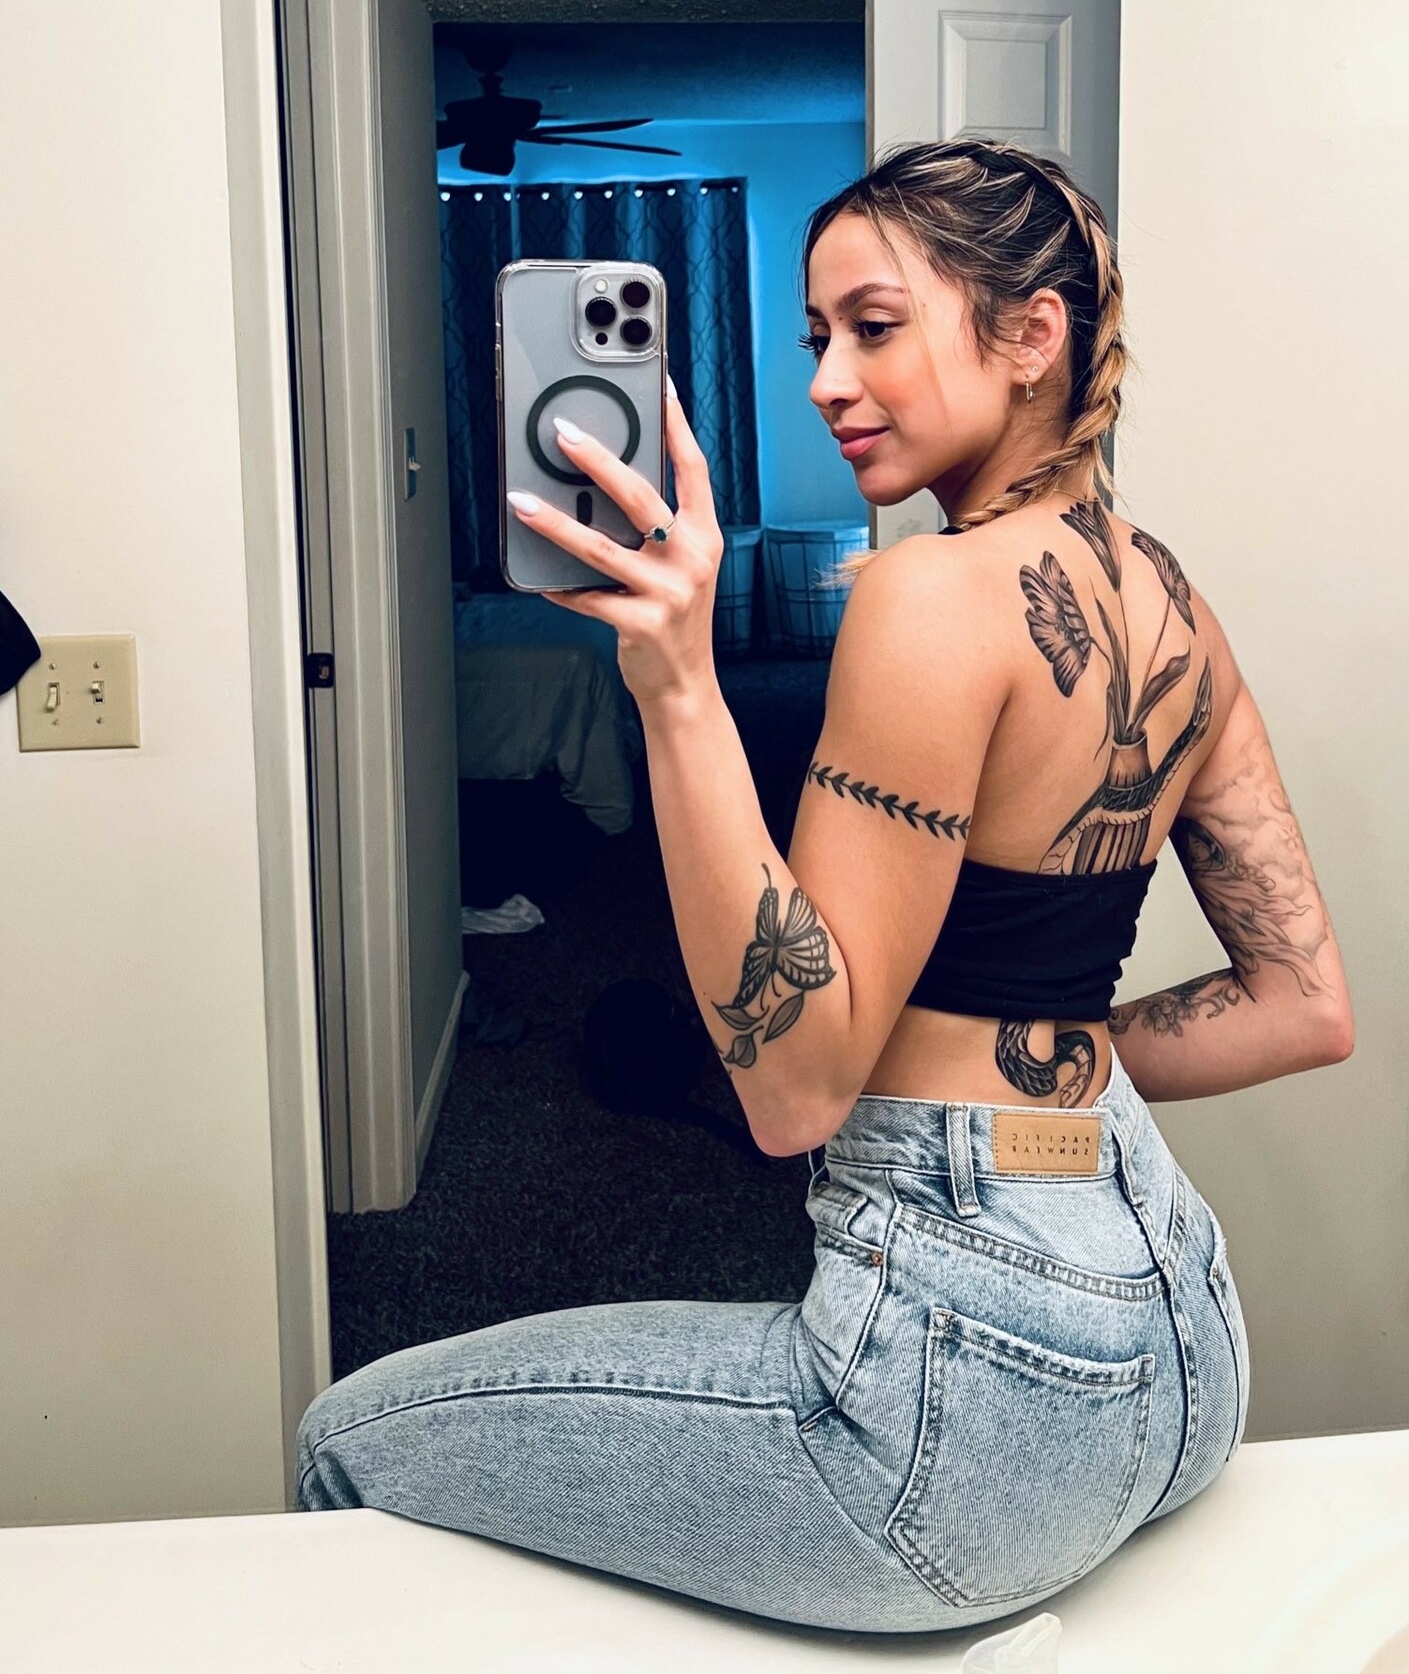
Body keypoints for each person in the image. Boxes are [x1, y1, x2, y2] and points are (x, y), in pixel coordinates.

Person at [294, 138, 1355, 1631]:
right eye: (814, 340)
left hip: (982, 1383)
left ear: (1031, 336)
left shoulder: (929, 594)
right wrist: (1037, 1069)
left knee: (343, 1441)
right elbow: (1304, 1006)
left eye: (874, 327)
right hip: (1184, 1339)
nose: (823, 383)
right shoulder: (1171, 595)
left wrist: (677, 686)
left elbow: (793, 1091)